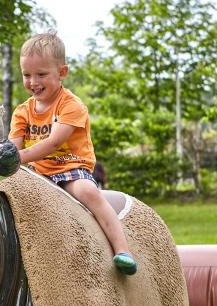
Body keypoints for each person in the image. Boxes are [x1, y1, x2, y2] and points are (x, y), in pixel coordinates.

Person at [8, 32, 136, 275]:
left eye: (41, 74)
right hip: (37, 172)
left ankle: (122, 250)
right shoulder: (22, 111)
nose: (33, 82)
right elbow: (15, 144)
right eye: (27, 75)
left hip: (70, 168)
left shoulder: (70, 105)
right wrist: (2, 153)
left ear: (62, 72)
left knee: (89, 192)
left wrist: (17, 159)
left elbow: (54, 142)